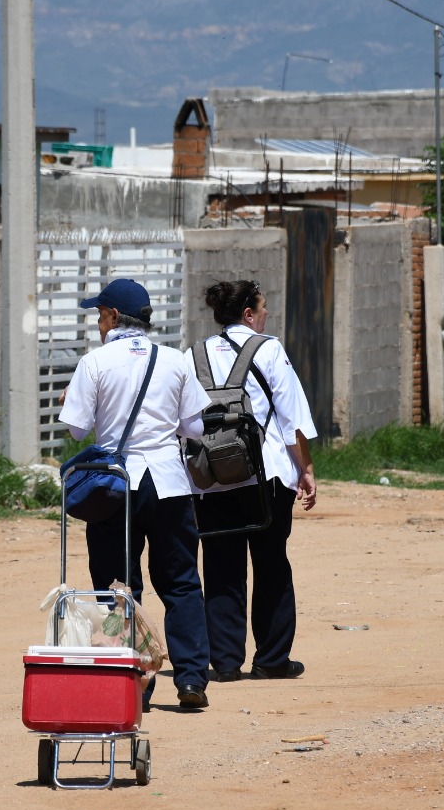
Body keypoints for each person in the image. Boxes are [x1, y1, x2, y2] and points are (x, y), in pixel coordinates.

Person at [58, 278, 214, 709]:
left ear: (110, 316)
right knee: (181, 583)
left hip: (114, 487)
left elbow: (75, 428)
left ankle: (131, 684)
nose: (97, 324)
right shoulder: (175, 360)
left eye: (98, 315)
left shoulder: (95, 363)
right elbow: (195, 428)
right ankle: (191, 680)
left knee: (118, 588)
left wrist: (70, 397)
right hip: (168, 484)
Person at [185, 280, 318, 683]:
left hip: (211, 481)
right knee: (272, 563)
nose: (266, 315)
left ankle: (224, 664)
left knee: (221, 567)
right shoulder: (268, 349)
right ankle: (272, 659)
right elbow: (292, 418)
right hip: (267, 477)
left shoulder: (193, 355)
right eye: (262, 308)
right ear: (247, 314)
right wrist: (306, 469)